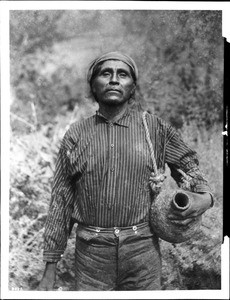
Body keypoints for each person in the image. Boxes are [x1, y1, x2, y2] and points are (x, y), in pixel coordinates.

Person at [38, 51, 213, 291]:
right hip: (91, 257)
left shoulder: (154, 128)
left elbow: (189, 166)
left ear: (132, 88)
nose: (113, 80)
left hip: (142, 253)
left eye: (122, 74)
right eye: (105, 73)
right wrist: (50, 268)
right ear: (93, 85)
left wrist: (205, 198)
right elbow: (61, 201)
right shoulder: (76, 135)